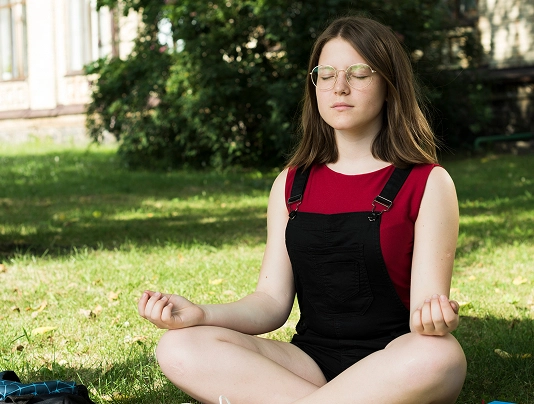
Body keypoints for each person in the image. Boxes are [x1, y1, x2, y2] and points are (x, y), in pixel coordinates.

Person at [138, 15, 467, 404]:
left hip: (395, 363)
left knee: (439, 354)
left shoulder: (428, 182)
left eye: (360, 73)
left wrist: (436, 317)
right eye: (325, 75)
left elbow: (425, 310)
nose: (339, 87)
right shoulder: (290, 183)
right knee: (179, 346)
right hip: (308, 362)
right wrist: (201, 315)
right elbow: (270, 303)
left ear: (389, 85)